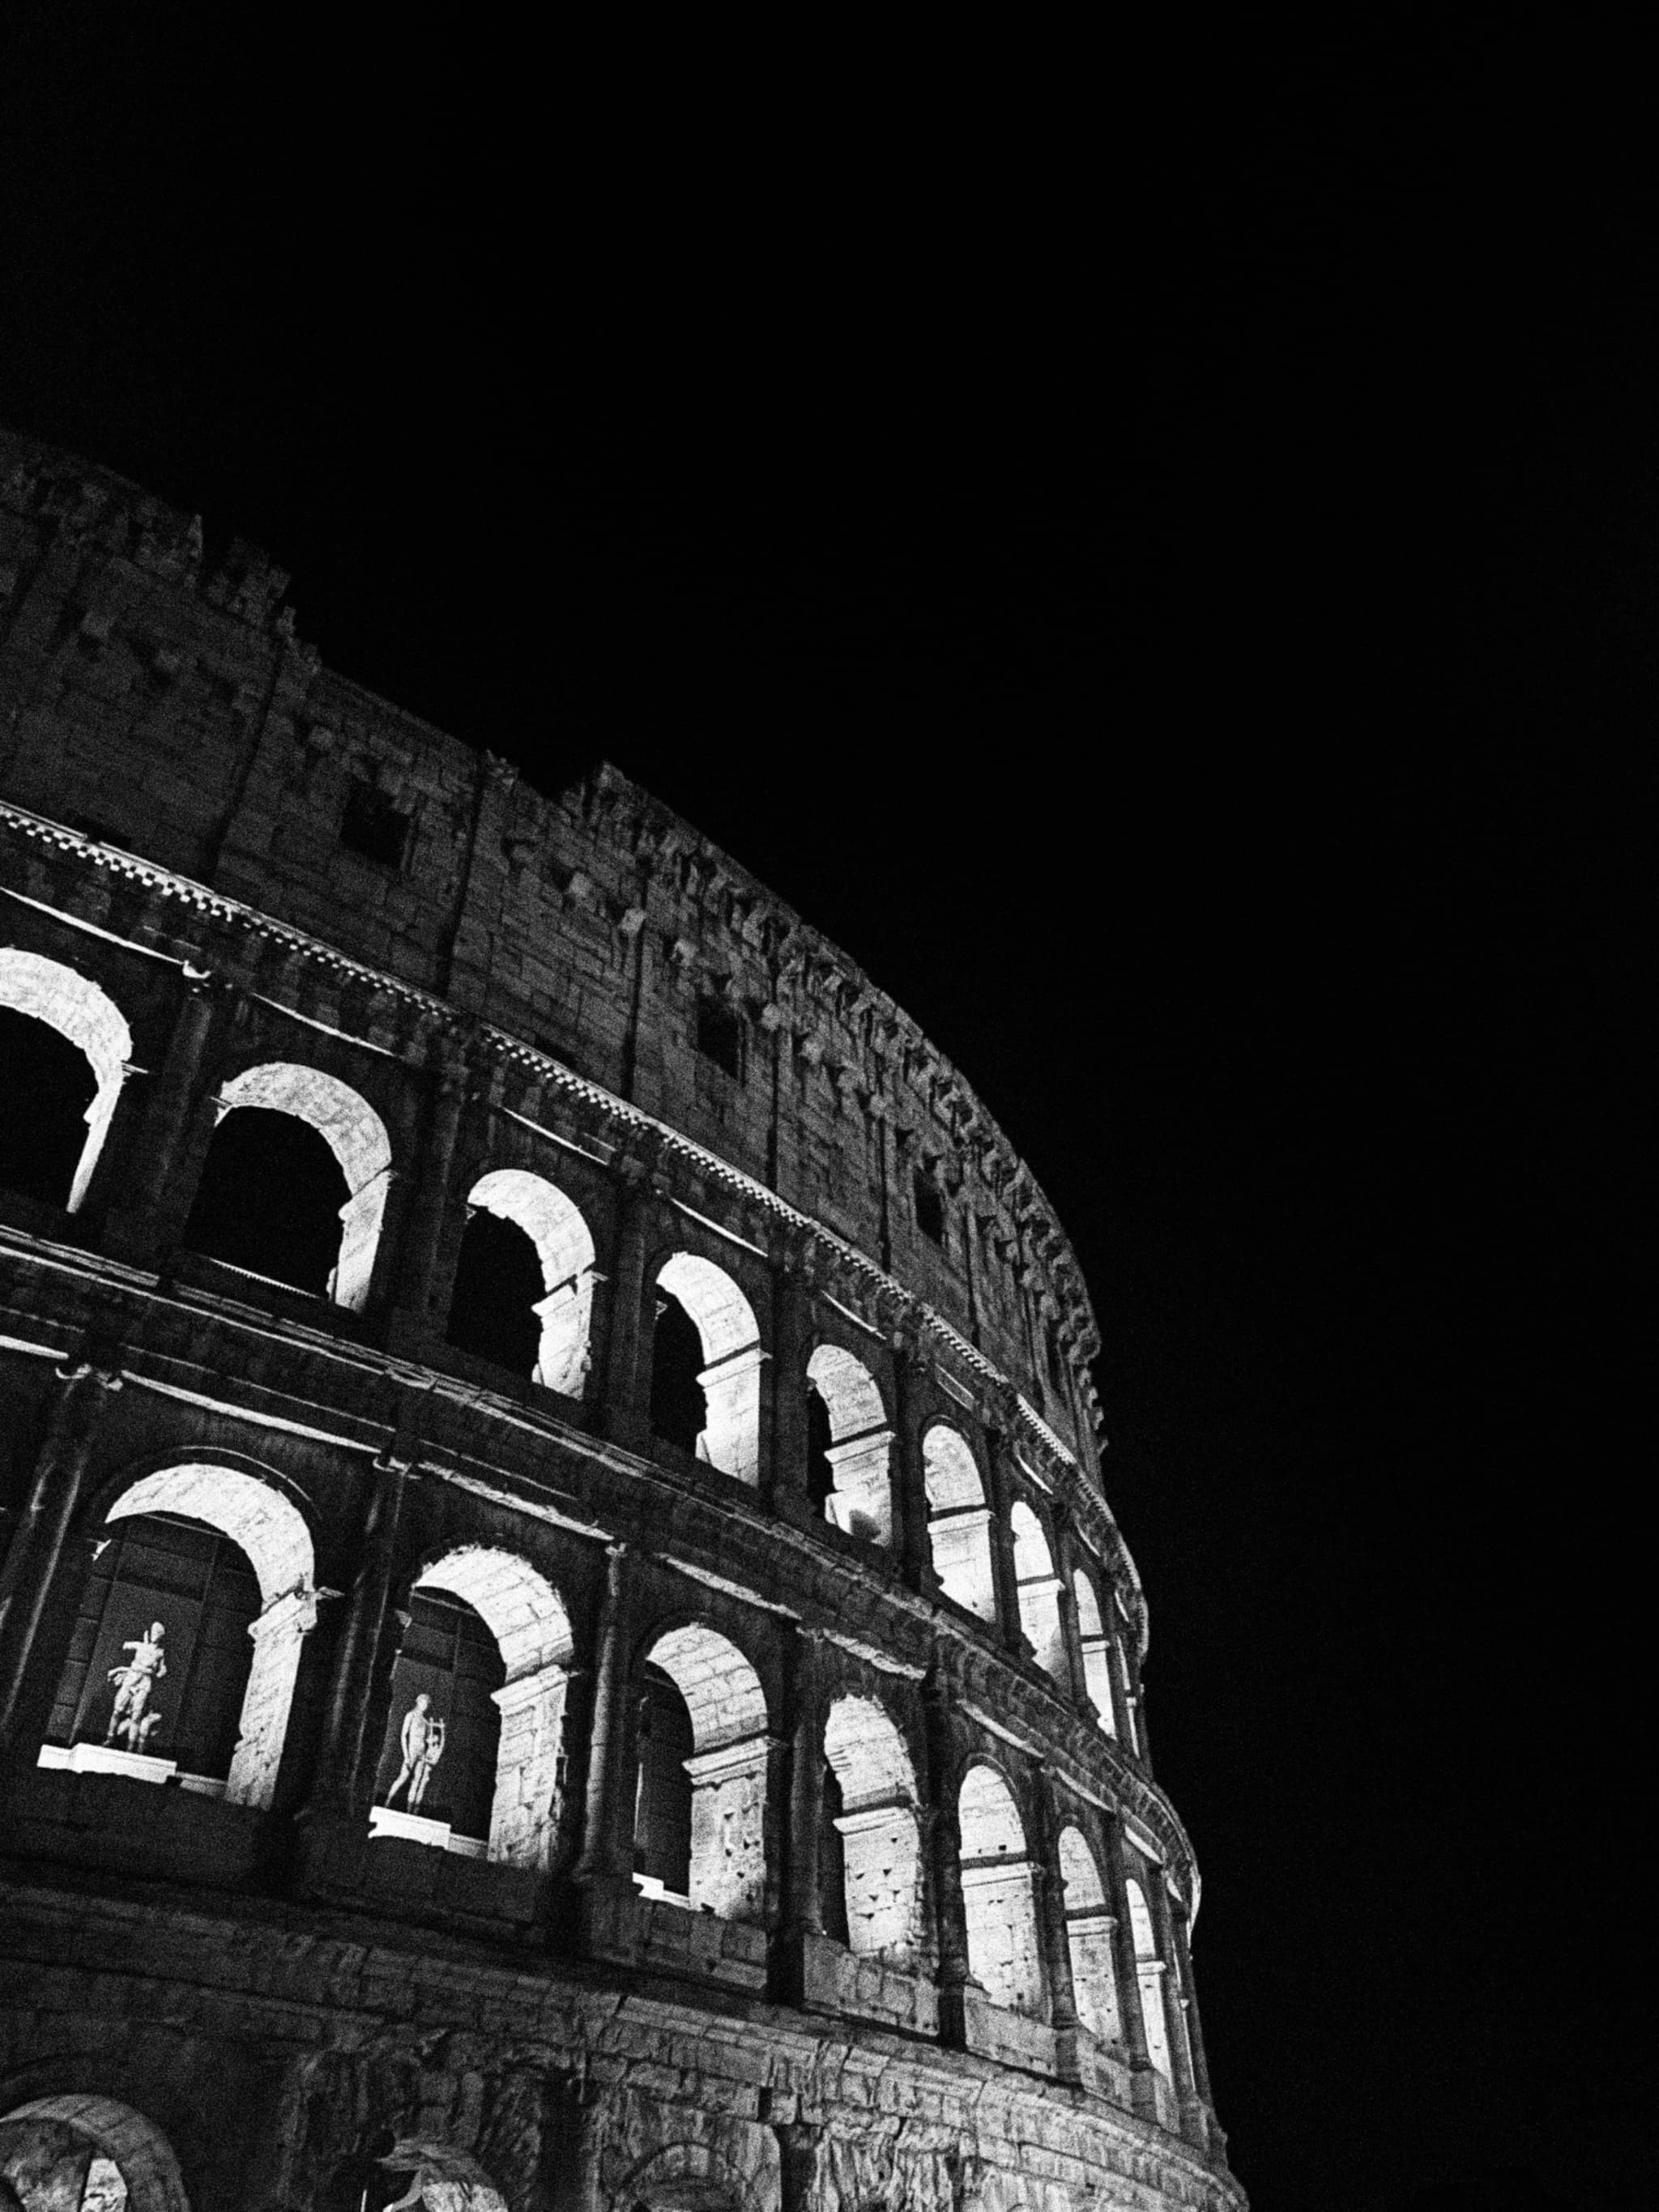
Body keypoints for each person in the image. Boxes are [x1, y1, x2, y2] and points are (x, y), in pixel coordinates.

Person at [105, 1621, 167, 1750]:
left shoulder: (160, 1653)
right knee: (117, 1711)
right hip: (131, 1678)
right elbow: (125, 1645)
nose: (154, 1635)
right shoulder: (140, 1646)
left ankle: (130, 1745)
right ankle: (110, 1738)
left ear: (160, 1636)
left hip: (144, 1683)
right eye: (153, 1632)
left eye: (157, 1633)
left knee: (136, 1716)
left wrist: (161, 1672)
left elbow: (161, 1669)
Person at [386, 1693, 446, 1813]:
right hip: (412, 1751)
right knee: (403, 1777)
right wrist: (406, 1755)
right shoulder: (411, 1716)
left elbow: (429, 1739)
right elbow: (403, 1736)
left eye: (427, 1704)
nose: (425, 1706)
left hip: (421, 1753)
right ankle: (388, 1801)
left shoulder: (425, 1721)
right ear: (419, 1702)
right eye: (424, 1703)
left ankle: (410, 1810)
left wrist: (440, 1734)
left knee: (417, 1781)